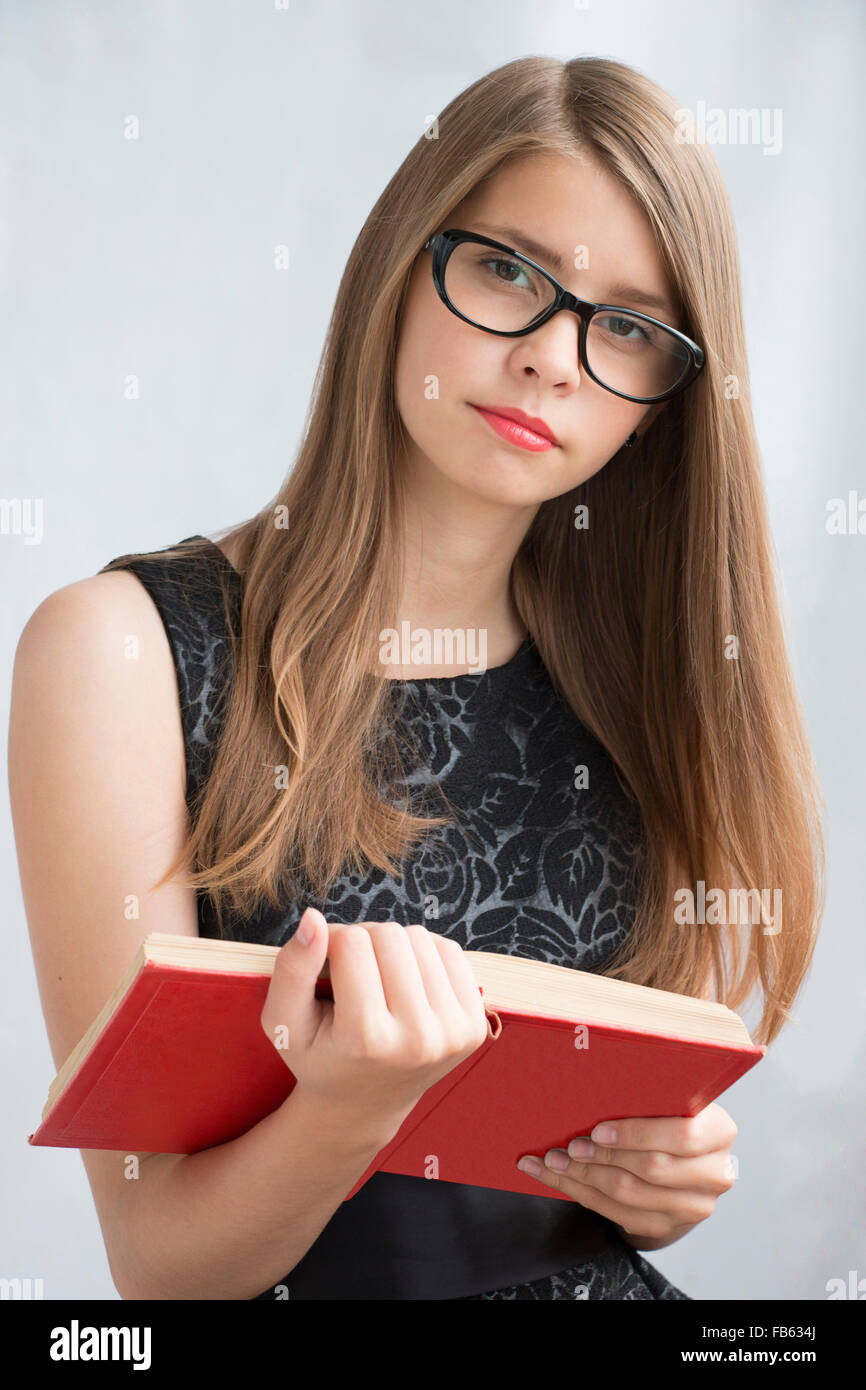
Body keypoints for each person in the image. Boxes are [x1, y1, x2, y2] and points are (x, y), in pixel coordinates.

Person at [9, 54, 824, 1301]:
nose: (556, 358)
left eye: (625, 327)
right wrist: (347, 1110)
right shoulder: (120, 654)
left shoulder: (650, 689)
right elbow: (160, 1271)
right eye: (507, 268)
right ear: (401, 257)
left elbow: (566, 1177)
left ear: (662, 401)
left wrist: (654, 1177)